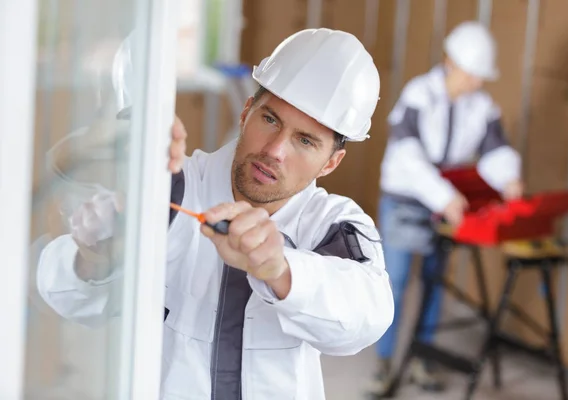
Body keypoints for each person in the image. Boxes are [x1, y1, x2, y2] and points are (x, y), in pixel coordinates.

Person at [36, 28, 394, 400]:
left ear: (331, 163)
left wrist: (280, 270)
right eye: (270, 120)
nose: (275, 151)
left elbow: (366, 320)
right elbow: (64, 295)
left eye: (305, 141)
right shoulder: (172, 187)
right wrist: (93, 258)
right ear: (245, 113)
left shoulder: (332, 226)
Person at [370, 21, 524, 394]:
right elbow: (407, 156)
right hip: (407, 201)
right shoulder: (418, 95)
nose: (475, 83)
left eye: (479, 76)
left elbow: (495, 150)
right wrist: (445, 196)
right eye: (470, 74)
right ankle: (386, 362)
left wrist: (509, 179)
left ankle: (424, 358)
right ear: (449, 62)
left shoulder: (481, 106)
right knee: (395, 282)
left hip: (445, 205)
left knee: (435, 283)